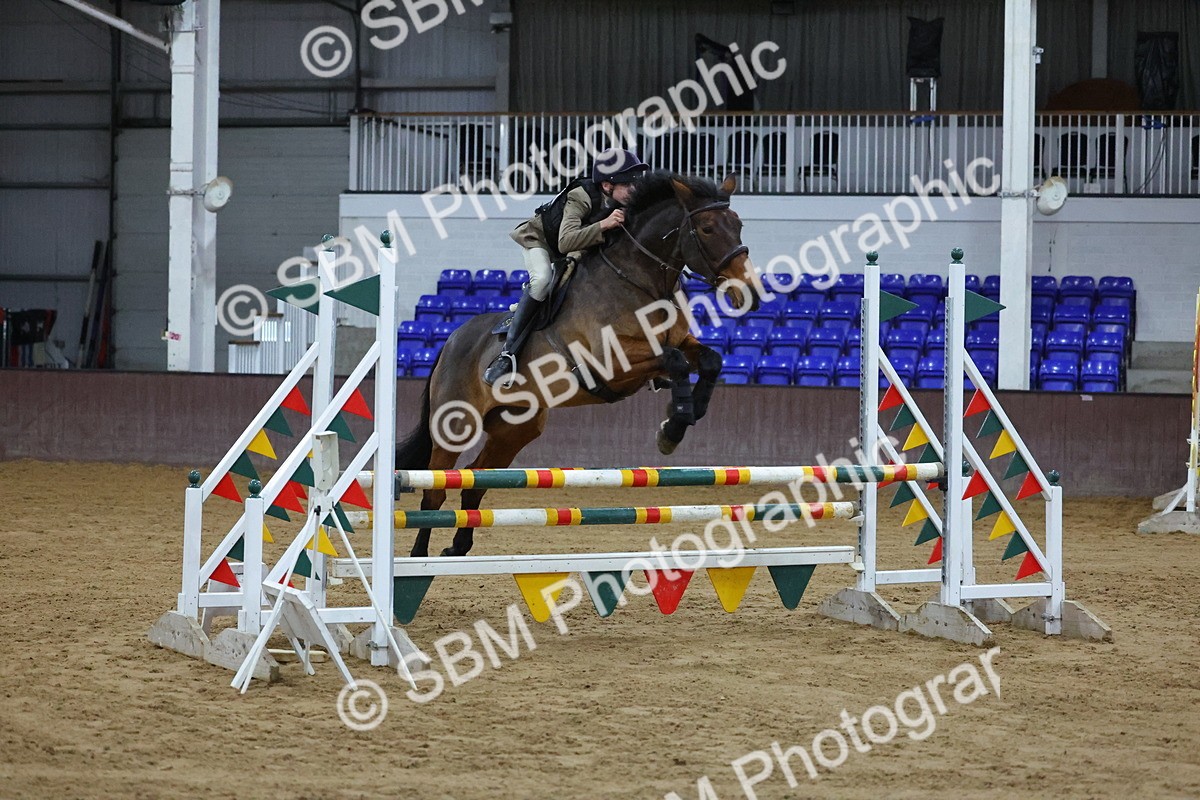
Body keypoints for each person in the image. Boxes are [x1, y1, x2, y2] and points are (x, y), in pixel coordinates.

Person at [482, 148, 649, 386]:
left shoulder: (624, 203)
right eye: (628, 185)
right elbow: (565, 241)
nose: (634, 191)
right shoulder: (580, 196)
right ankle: (507, 355)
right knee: (541, 282)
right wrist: (604, 224)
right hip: (542, 242)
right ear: (607, 185)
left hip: (578, 248)